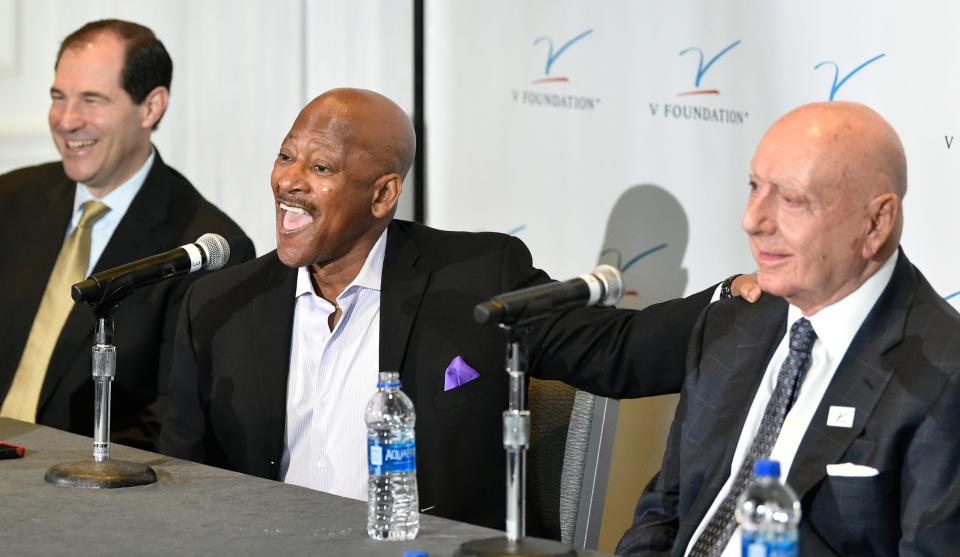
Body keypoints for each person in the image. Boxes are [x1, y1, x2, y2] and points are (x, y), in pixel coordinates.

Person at [158, 87, 757, 532]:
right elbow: (181, 481)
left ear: (383, 193)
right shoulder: (219, 306)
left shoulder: (473, 278)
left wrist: (737, 300)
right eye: (286, 157)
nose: (289, 181)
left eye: (320, 168)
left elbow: (617, 353)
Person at [616, 102, 960, 556]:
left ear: (876, 222)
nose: (753, 220)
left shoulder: (942, 374)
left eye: (791, 199)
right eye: (755, 187)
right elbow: (664, 512)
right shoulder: (732, 324)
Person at [0, 19, 255, 450]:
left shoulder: (204, 248)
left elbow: (172, 422)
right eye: (58, 97)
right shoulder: (11, 199)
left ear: (151, 107)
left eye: (92, 100)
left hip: (84, 490)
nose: (66, 120)